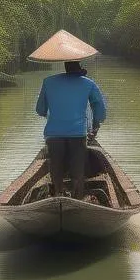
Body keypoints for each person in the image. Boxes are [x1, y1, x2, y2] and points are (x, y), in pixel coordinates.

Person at [35, 59, 107, 200]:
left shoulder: (48, 81)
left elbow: (40, 110)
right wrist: (96, 124)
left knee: (56, 167)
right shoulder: (88, 83)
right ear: (79, 69)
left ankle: (58, 194)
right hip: (78, 134)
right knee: (77, 170)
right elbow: (99, 110)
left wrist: (53, 114)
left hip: (54, 134)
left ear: (66, 67)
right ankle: (77, 197)